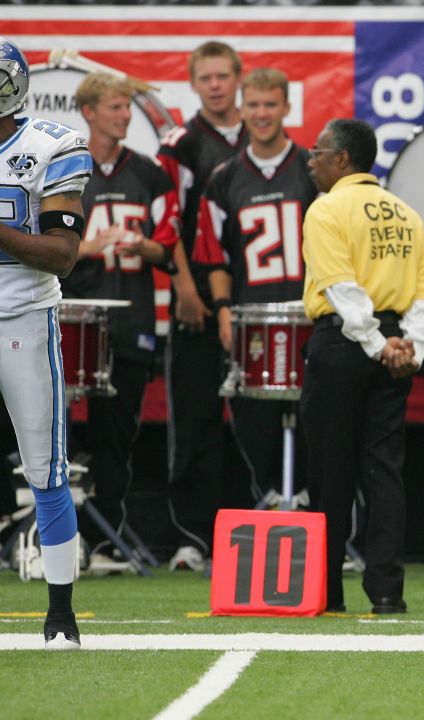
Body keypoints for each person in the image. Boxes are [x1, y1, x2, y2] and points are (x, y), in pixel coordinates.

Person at [301, 118, 424, 614]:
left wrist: (377, 344)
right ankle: (386, 593)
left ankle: (326, 595)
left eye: (317, 152)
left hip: (345, 343)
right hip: (394, 343)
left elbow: (342, 291)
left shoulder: (326, 209)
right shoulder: (406, 214)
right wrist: (410, 349)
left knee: (330, 474)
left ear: (341, 159)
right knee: (384, 473)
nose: (310, 161)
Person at [0, 38, 93, 649]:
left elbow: (62, 256)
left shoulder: (50, 144)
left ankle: (61, 615)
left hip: (21, 319)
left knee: (45, 469)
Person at [64, 72, 180, 553]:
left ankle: (105, 536)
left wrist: (143, 244)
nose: (125, 116)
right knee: (54, 433)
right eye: (114, 107)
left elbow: (170, 248)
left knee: (118, 436)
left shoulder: (149, 172)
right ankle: (52, 534)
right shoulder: (65, 167)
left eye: (127, 108)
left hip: (130, 319)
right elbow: (40, 243)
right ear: (89, 112)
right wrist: (90, 246)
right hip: (72, 318)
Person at [192, 68, 316, 502]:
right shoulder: (224, 178)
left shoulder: (312, 170)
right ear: (242, 109)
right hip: (251, 317)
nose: (262, 114)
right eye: (254, 105)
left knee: (315, 418)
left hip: (309, 315)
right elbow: (214, 256)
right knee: (253, 417)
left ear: (286, 107)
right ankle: (269, 494)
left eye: (270, 104)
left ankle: (307, 503)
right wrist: (224, 311)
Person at [158, 41, 247, 568]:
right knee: (194, 418)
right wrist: (185, 288)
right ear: (193, 83)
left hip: (255, 295)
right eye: (205, 77)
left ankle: (257, 527)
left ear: (239, 78)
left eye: (223, 75)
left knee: (259, 419)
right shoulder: (182, 142)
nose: (215, 85)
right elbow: (170, 222)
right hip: (197, 298)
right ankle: (193, 534)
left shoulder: (265, 137)